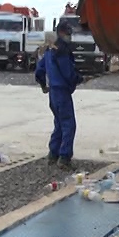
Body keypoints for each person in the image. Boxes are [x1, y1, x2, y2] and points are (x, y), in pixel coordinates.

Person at [34, 21, 83, 169]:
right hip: (62, 92)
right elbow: (68, 73)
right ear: (62, 32)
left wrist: (43, 85)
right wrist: (78, 78)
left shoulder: (49, 50)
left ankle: (53, 154)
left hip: (53, 94)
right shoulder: (62, 50)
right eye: (68, 33)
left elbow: (39, 71)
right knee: (68, 124)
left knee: (59, 123)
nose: (70, 36)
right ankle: (64, 158)